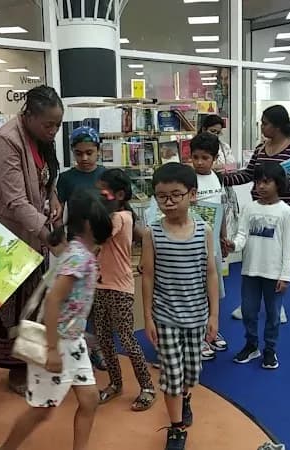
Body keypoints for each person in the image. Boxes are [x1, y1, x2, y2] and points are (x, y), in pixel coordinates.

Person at [0, 189, 113, 450]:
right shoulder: (79, 257)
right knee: (41, 409)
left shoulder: (76, 251)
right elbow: (53, 300)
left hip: (73, 341)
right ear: (87, 225)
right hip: (58, 342)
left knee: (89, 399)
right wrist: (51, 350)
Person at [0, 85, 64, 395]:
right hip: (10, 237)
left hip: (34, 232)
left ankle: (31, 362)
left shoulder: (40, 137)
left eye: (57, 124)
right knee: (12, 307)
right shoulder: (7, 139)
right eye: (48, 124)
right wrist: (51, 235)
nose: (53, 131)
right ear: (27, 116)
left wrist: (53, 198)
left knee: (34, 302)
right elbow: (15, 201)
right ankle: (15, 371)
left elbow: (45, 177)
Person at [142, 163, 219, 450]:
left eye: (176, 195)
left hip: (197, 316)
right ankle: (176, 428)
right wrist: (148, 317)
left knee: (191, 373)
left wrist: (214, 315)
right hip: (166, 317)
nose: (169, 202)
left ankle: (186, 397)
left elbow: (210, 273)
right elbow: (148, 276)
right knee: (171, 376)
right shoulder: (153, 233)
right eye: (162, 196)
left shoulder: (204, 230)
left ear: (193, 195)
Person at [224, 105, 290, 323]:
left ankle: (277, 304)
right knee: (253, 252)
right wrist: (221, 178)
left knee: (278, 256)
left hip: (286, 209)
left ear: (278, 125)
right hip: (259, 208)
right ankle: (248, 303)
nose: (262, 127)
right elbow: (248, 175)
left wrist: (280, 186)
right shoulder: (260, 149)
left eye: (265, 123)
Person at [93, 168, 156, 411]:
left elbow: (98, 238)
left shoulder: (121, 218)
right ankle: (115, 383)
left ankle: (148, 387)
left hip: (119, 289)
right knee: (104, 338)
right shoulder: (112, 215)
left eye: (103, 193)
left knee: (127, 340)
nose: (98, 197)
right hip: (102, 286)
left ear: (119, 195)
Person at [225, 162, 290, 370]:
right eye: (257, 182)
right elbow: (242, 235)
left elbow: (288, 247)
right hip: (250, 271)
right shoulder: (249, 208)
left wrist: (286, 276)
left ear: (278, 184)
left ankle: (270, 349)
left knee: (273, 314)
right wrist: (233, 244)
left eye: (266, 182)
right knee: (248, 310)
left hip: (274, 273)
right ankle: (251, 344)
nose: (261, 186)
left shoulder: (286, 212)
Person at [57, 126, 108, 371]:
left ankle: (98, 347)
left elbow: (115, 210)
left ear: (99, 150)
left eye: (89, 152)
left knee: (97, 301)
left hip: (103, 246)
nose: (84, 158)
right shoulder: (66, 179)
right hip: (76, 248)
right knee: (75, 300)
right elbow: (57, 213)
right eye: (79, 153)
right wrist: (62, 244)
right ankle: (77, 346)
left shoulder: (107, 175)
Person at [189, 132, 229, 361]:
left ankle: (211, 329)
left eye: (205, 158)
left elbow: (221, 210)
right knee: (195, 292)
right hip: (192, 246)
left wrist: (224, 237)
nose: (200, 162)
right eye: (196, 157)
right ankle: (198, 338)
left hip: (212, 245)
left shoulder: (218, 179)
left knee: (212, 291)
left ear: (214, 158)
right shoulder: (186, 178)